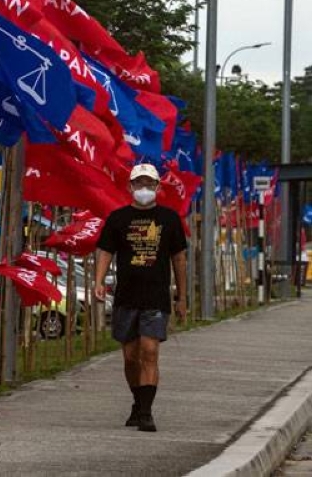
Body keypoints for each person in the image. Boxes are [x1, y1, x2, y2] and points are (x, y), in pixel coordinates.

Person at [94, 163, 187, 433]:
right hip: (126, 298)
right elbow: (105, 251)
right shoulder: (118, 219)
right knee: (131, 357)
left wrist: (182, 297)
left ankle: (146, 412)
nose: (144, 189)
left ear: (158, 188)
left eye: (149, 184)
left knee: (150, 351)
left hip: (156, 299)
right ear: (130, 187)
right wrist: (98, 282)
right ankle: (138, 402)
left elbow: (178, 258)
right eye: (139, 184)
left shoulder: (169, 220)